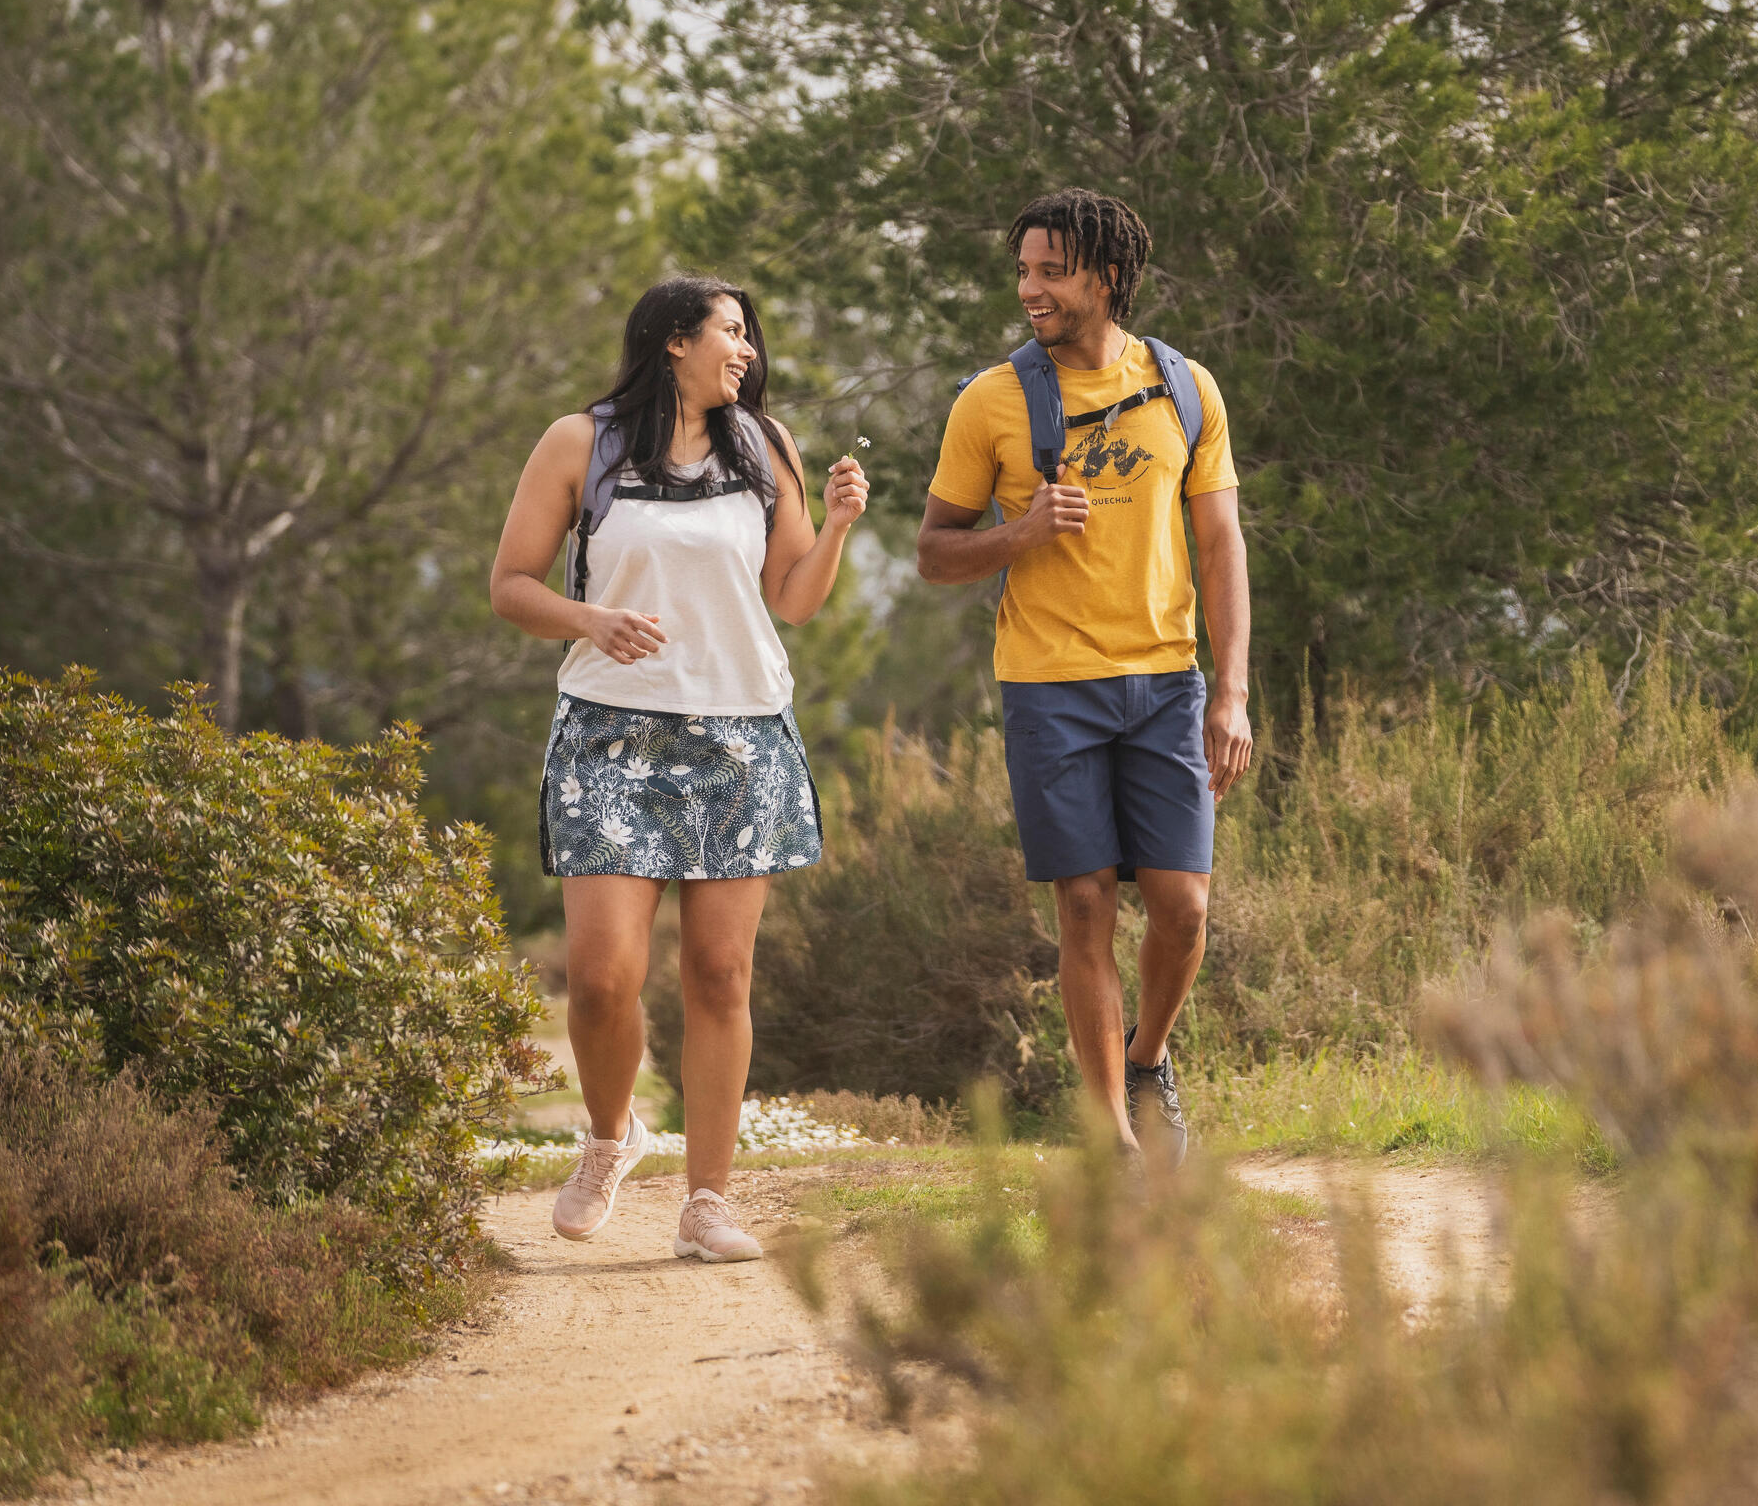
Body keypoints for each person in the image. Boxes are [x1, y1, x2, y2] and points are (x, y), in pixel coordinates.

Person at [488, 277, 867, 1260]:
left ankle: (707, 1201)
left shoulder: (763, 445)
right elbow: (511, 583)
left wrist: (833, 528)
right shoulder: (582, 441)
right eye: (729, 332)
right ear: (670, 341)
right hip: (608, 736)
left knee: (719, 972)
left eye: (748, 334)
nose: (745, 349)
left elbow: (795, 600)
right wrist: (591, 620)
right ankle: (610, 1138)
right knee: (604, 977)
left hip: (741, 736)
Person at [917, 189, 1252, 1165]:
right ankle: (1110, 1132)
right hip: (1048, 687)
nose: (1030, 288)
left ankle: (1148, 1060)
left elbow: (1221, 538)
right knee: (1084, 906)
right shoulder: (992, 400)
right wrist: (1017, 534)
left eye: (1050, 270)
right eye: (1022, 270)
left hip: (1166, 683)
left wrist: (1230, 689)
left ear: (1105, 276)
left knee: (1184, 907)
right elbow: (934, 551)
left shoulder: (1187, 387)